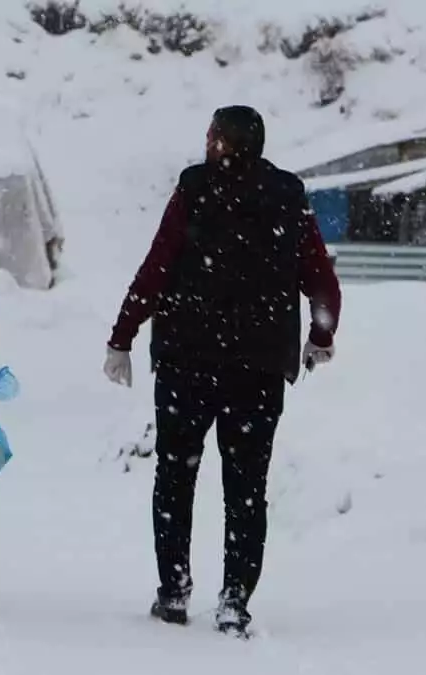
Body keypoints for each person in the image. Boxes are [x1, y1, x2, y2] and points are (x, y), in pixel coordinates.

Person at [102, 105, 341, 638]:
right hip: (256, 368)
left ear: (223, 144)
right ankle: (235, 599)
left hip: (188, 361)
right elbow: (321, 277)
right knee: (246, 486)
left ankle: (174, 590)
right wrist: (321, 335)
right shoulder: (286, 197)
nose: (205, 140)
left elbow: (157, 267)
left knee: (175, 477)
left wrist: (124, 333)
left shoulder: (195, 190)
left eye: (211, 134)